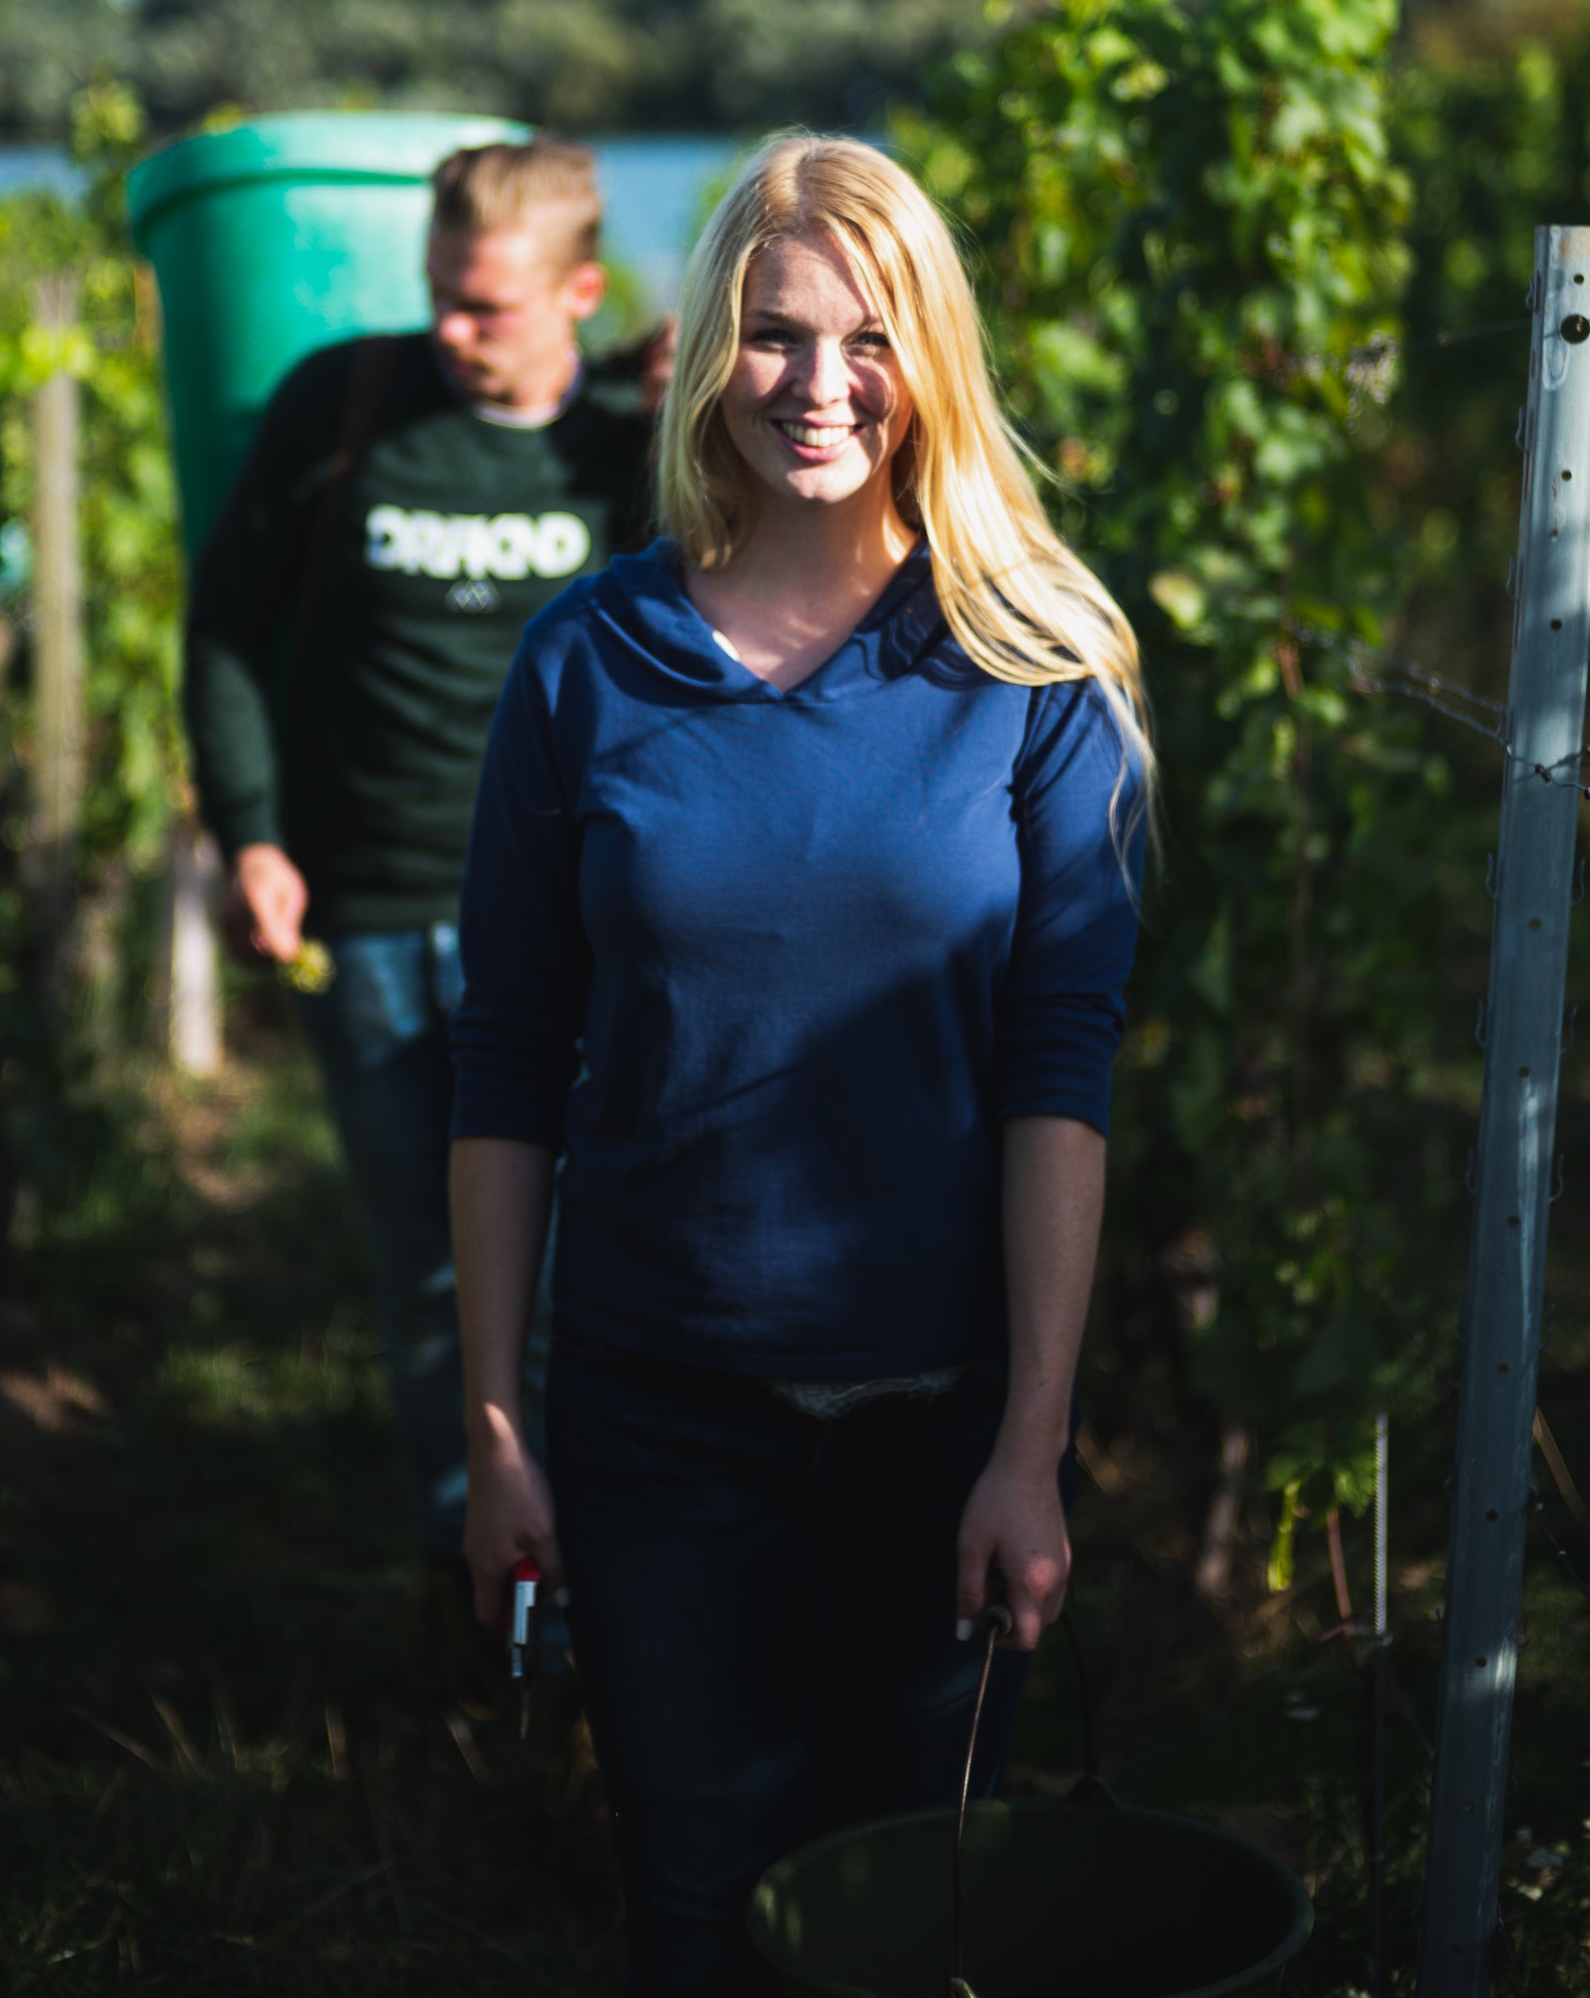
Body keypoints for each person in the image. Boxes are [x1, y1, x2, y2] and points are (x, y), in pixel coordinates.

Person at [449, 131, 1151, 1998]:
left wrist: (1030, 1443)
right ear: (705, 353)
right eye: (773, 336)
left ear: (931, 352)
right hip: (657, 1411)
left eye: (865, 336)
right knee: (699, 1904)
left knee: (912, 1909)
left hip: (939, 1414)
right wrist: (498, 1426)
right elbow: (508, 1063)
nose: (819, 385)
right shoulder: (584, 662)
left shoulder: (1030, 667)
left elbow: (1054, 1076)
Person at [182, 134, 659, 1617]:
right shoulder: (348, 406)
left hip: (573, 938)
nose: (450, 331)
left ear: (579, 290)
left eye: (489, 308)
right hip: (372, 912)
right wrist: (253, 831)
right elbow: (225, 635)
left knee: (588, 1280)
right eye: (438, 295)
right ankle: (473, 1593)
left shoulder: (629, 458)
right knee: (430, 1283)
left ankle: (602, 1608)